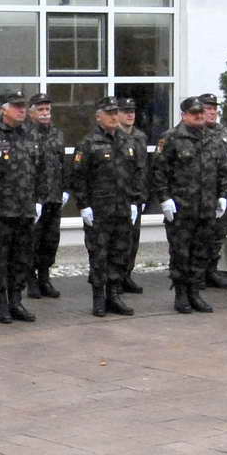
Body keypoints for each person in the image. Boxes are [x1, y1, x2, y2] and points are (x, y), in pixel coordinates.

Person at [151, 96, 227, 314]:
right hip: (181, 209)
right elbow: (158, 172)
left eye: (201, 112)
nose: (199, 116)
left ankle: (195, 293)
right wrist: (164, 199)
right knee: (181, 254)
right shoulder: (171, 138)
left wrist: (222, 195)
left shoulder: (213, 138)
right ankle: (181, 295)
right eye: (195, 113)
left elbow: (222, 169)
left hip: (206, 207)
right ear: (184, 115)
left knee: (201, 253)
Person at [0, 91, 41, 324]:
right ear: (3, 109)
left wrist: (38, 200)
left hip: (25, 210)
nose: (22, 110)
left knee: (22, 259)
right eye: (16, 106)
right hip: (0, 211)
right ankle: (1, 304)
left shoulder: (30, 134)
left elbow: (38, 170)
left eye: (23, 106)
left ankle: (16, 302)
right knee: (1, 261)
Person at [73, 96, 143, 317]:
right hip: (99, 211)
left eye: (115, 113)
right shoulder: (88, 143)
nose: (114, 117)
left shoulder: (128, 142)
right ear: (98, 117)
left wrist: (135, 201)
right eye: (109, 113)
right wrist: (83, 205)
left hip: (123, 208)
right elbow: (78, 177)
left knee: (120, 253)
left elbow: (137, 173)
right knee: (99, 255)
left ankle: (114, 295)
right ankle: (98, 298)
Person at [27, 92, 70, 299]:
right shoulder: (25, 135)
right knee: (32, 241)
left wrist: (65, 189)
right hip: (35, 200)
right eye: (41, 109)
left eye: (48, 110)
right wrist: (32, 198)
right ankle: (30, 280)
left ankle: (44, 278)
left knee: (50, 241)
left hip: (54, 197)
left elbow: (62, 163)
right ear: (31, 112)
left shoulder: (57, 133)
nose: (45, 113)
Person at [198, 93, 227, 289]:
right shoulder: (195, 132)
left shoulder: (223, 131)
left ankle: (211, 271)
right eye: (208, 108)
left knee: (218, 234)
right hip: (201, 193)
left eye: (214, 109)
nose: (212, 112)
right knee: (201, 236)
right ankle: (198, 274)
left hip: (222, 191)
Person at [116, 97, 150, 293]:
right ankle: (115, 278)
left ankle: (127, 274)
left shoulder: (140, 137)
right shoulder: (114, 136)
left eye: (132, 111)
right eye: (126, 111)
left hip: (136, 196)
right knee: (119, 240)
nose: (130, 115)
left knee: (133, 239)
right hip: (119, 197)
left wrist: (143, 196)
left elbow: (143, 169)